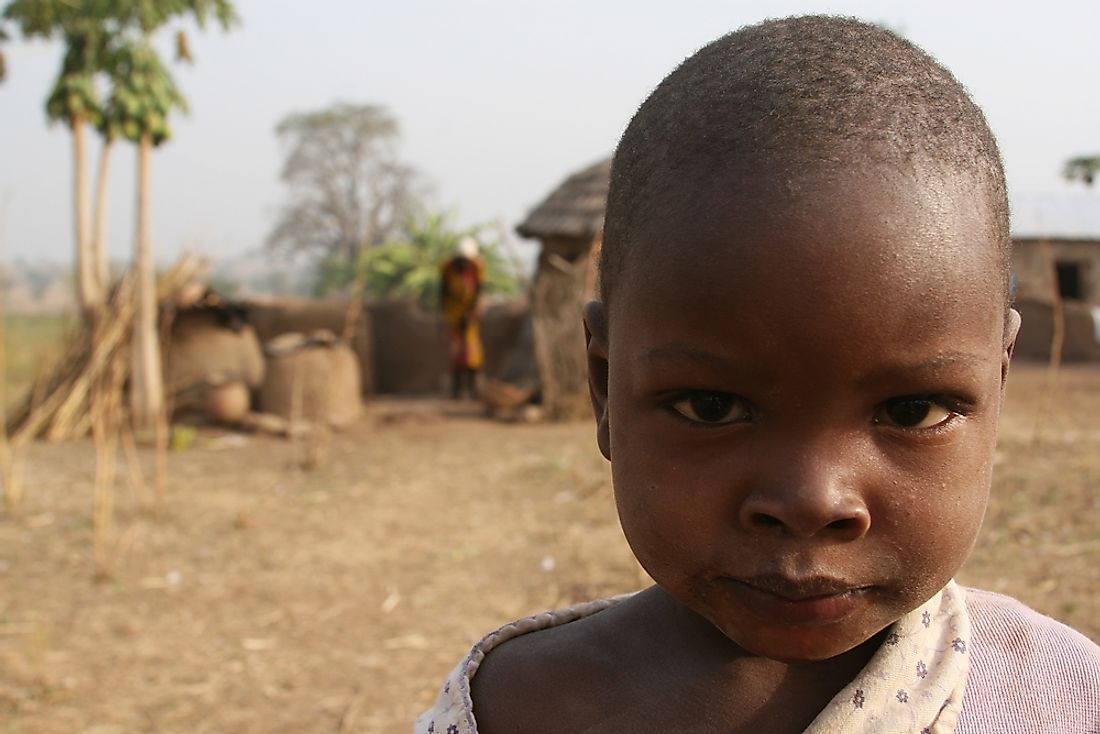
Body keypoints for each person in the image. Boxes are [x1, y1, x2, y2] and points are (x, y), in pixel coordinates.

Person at [417, 16, 1100, 733]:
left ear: (999, 385)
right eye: (711, 406)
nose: (813, 500)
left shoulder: (1061, 699)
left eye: (911, 412)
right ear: (603, 387)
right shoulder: (506, 711)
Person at [440, 236, 485, 399]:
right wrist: (446, 315)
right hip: (453, 315)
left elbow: (479, 291)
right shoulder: (447, 268)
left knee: (472, 354)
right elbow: (443, 292)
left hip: (470, 315)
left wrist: (471, 314)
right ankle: (456, 391)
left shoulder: (477, 267)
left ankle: (473, 390)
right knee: (455, 353)